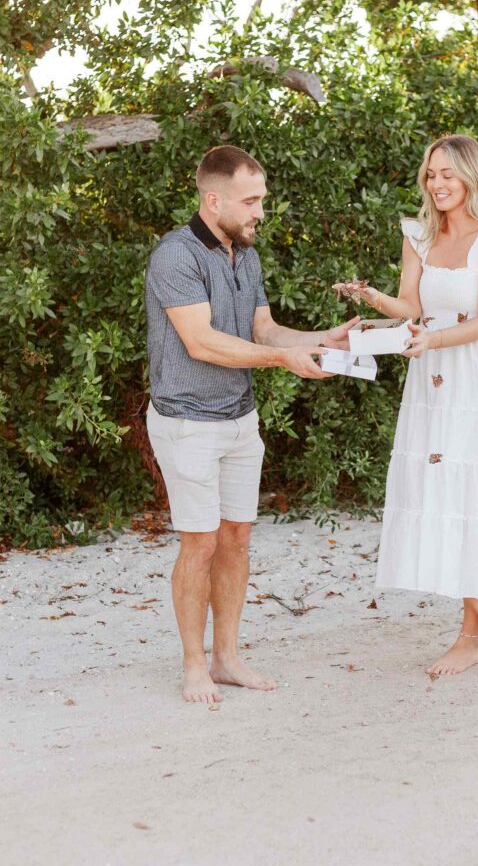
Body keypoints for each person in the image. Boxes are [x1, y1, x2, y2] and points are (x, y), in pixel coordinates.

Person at [145, 145, 358, 703]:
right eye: (251, 201)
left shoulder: (246, 254)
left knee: (236, 539)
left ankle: (226, 659)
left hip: (241, 419)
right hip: (187, 422)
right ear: (214, 200)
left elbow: (263, 330)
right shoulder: (175, 256)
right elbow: (202, 342)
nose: (261, 211)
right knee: (200, 544)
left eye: (262, 199)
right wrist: (284, 360)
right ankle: (194, 665)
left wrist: (321, 340)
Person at [347, 134, 478, 677]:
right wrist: (372, 299)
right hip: (431, 376)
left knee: (471, 492)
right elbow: (410, 305)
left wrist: (432, 339)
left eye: (447, 174)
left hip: (477, 375)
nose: (437, 183)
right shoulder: (420, 236)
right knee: (441, 492)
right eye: (431, 174)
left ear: (472, 177)